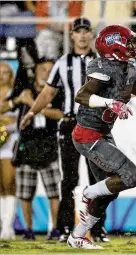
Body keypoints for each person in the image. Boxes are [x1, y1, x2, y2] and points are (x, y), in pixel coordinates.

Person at [63, 24, 136, 249]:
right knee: (131, 177)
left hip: (102, 133)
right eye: (129, 43)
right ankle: (87, 193)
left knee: (108, 193)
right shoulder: (104, 67)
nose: (135, 47)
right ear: (113, 47)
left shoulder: (128, 68)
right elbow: (81, 95)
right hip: (87, 134)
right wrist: (109, 102)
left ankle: (77, 236)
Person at [19, 17, 109, 242]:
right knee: (69, 180)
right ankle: (66, 228)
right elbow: (48, 93)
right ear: (72, 35)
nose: (82, 35)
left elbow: (112, 94)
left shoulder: (101, 63)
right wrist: (32, 112)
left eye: (86, 31)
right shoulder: (62, 62)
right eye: (78, 31)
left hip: (95, 125)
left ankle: (98, 229)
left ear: (91, 35)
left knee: (98, 180)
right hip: (70, 124)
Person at [1, 58, 63, 240]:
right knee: (25, 192)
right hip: (27, 145)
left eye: (50, 70)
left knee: (53, 191)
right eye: (43, 69)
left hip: (49, 144)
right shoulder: (25, 90)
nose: (46, 73)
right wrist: (19, 100)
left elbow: (60, 114)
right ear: (35, 71)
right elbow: (5, 107)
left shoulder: (57, 92)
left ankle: (54, 229)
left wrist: (36, 107)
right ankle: (28, 230)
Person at [0, 62, 18, 239]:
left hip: (9, 141)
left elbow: (17, 119)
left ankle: (8, 226)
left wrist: (4, 124)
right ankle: (3, 226)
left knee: (9, 183)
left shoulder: (15, 94)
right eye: (0, 72)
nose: (2, 75)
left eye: (6, 72)